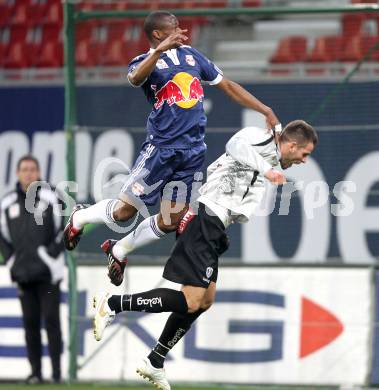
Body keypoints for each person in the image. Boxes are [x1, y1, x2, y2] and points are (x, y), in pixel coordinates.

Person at [92, 120, 318, 390]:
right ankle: (114, 304)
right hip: (206, 217)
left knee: (205, 300)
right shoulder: (259, 138)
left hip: (215, 225)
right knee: (191, 299)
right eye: (304, 154)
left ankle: (155, 359)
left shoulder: (271, 154)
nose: (304, 161)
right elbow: (234, 145)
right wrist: (268, 170)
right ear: (292, 145)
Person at [63, 10, 280, 285]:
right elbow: (135, 79)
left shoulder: (192, 56)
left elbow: (227, 86)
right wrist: (159, 51)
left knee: (169, 219)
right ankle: (80, 217)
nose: (181, 31)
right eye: (174, 27)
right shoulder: (144, 61)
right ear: (157, 34)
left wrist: (265, 109)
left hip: (191, 151)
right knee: (123, 212)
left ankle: (119, 249)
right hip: (161, 149)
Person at [0, 155, 64, 384]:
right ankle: (35, 373)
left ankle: (57, 374)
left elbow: (65, 229)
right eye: (24, 169)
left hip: (48, 274)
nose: (28, 173)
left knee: (51, 320)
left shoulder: (52, 196)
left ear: (39, 173)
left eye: (32, 169)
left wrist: (50, 255)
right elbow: (2, 236)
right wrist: (11, 260)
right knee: (30, 324)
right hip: (23, 273)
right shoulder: (7, 202)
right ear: (17, 173)